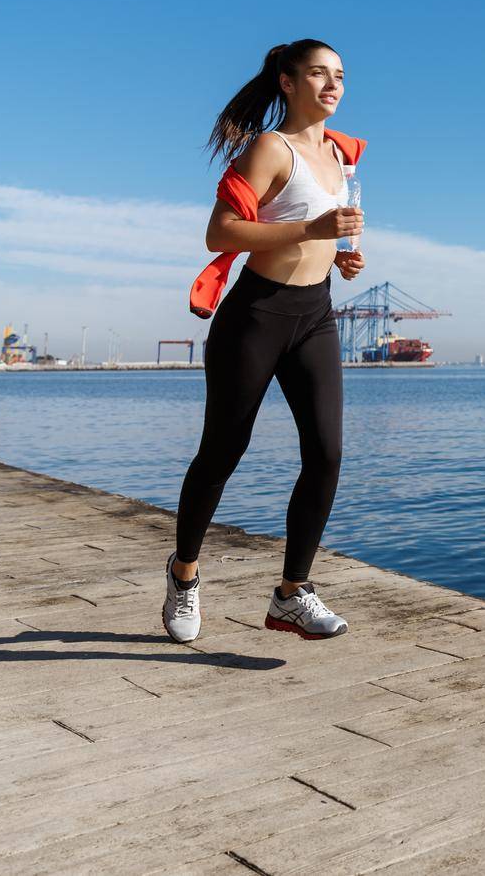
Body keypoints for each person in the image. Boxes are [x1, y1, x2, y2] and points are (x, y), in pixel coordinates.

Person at [163, 39, 366, 642]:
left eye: (340, 76)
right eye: (318, 74)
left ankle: (292, 593)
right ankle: (184, 574)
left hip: (316, 314)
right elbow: (219, 231)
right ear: (286, 81)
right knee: (223, 451)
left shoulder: (341, 155)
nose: (333, 84)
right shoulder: (271, 148)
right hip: (257, 314)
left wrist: (340, 259)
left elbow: (322, 237)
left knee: (326, 453)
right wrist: (313, 228)